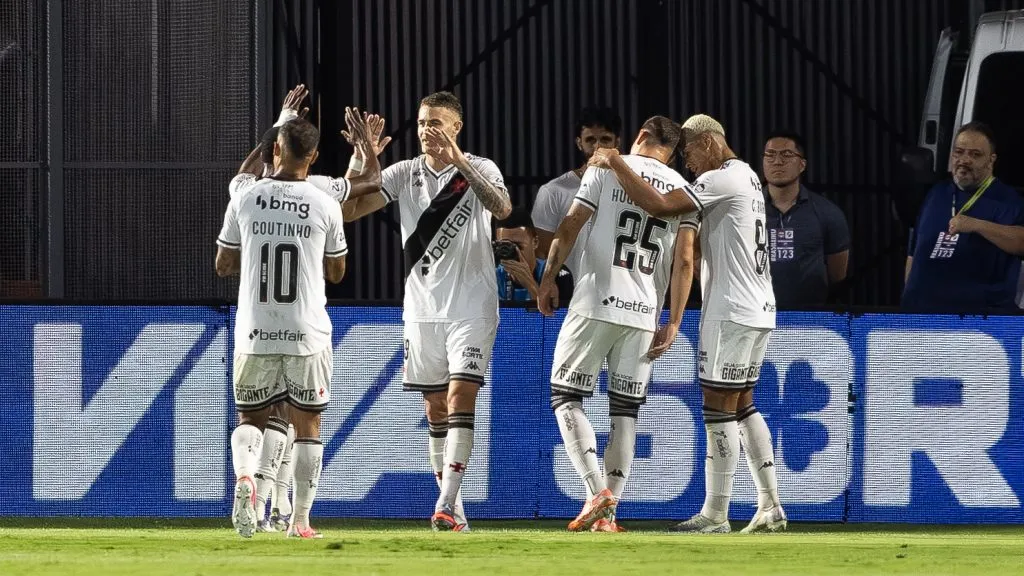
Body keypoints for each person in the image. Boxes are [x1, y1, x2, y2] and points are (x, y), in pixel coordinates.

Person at [590, 113, 786, 534]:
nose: (688, 162)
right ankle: (770, 503)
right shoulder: (749, 177)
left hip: (731, 310)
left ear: (710, 143)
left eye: (690, 151)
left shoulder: (718, 180)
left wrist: (616, 161)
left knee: (718, 409)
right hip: (760, 306)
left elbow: (660, 206)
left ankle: (715, 514)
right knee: (744, 404)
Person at [341, 91, 512, 531]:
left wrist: (460, 162)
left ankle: (445, 503)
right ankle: (456, 513)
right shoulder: (404, 173)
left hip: (472, 306)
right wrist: (361, 159)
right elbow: (346, 211)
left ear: (456, 127)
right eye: (421, 122)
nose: (425, 130)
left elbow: (502, 207)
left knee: (460, 397)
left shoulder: (481, 167)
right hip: (422, 309)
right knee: (435, 408)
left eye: (435, 122)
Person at [229, 86, 387, 533]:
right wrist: (366, 151)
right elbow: (368, 187)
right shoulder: (322, 195)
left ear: (275, 148)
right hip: (306, 329)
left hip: (255, 325)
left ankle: (248, 481)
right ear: (314, 157)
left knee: (253, 418)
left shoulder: (244, 192)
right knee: (308, 423)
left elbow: (224, 260)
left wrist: (277, 123)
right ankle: (298, 519)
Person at [538, 116, 698, 532]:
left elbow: (570, 224)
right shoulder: (685, 191)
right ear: (673, 152)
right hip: (645, 312)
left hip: (595, 300)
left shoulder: (606, 167)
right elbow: (685, 261)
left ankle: (596, 492)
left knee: (565, 397)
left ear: (640, 136)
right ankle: (609, 514)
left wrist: (548, 278)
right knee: (625, 412)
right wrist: (674, 321)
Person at [903, 121, 1024, 311]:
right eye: (959, 152)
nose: (964, 160)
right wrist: (908, 298)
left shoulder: (1008, 200)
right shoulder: (937, 192)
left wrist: (976, 225)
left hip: (975, 320)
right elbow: (914, 252)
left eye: (975, 155)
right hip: (920, 315)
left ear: (991, 160)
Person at [762, 131, 850, 307]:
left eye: (787, 154)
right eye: (770, 154)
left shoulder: (827, 213)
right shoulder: (744, 210)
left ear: (802, 165)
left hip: (809, 317)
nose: (777, 161)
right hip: (755, 315)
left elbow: (838, 276)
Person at [532, 107, 622, 278]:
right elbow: (541, 254)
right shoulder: (553, 192)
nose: (597, 147)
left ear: (617, 142)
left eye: (605, 139)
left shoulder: (632, 189)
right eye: (590, 140)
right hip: (570, 291)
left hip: (620, 289)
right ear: (579, 143)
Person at [493, 207, 573, 302]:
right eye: (505, 246)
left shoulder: (555, 273)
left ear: (535, 242)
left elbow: (558, 312)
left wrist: (530, 285)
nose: (511, 252)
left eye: (518, 246)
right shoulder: (492, 276)